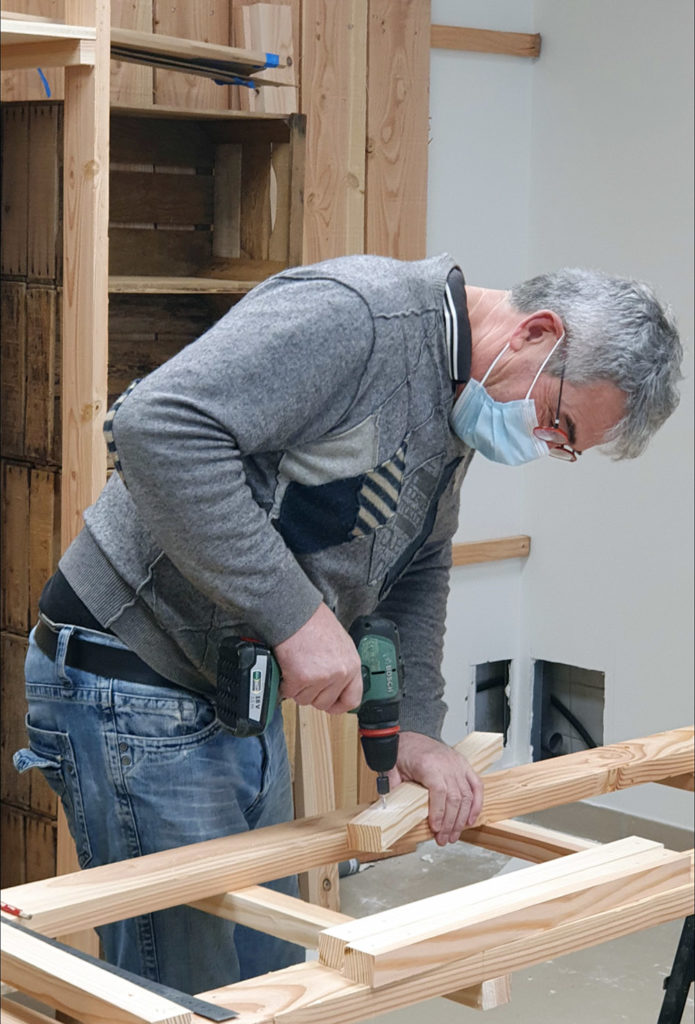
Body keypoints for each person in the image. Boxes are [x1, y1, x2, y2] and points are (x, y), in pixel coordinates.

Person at [15, 254, 682, 994]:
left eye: (562, 445)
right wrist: (295, 616)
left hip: (235, 685)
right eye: (555, 421)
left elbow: (418, 564)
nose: (539, 442)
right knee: (185, 990)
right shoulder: (356, 318)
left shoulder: (454, 397)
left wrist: (415, 729)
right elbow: (157, 426)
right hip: (133, 672)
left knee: (269, 973)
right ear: (537, 331)